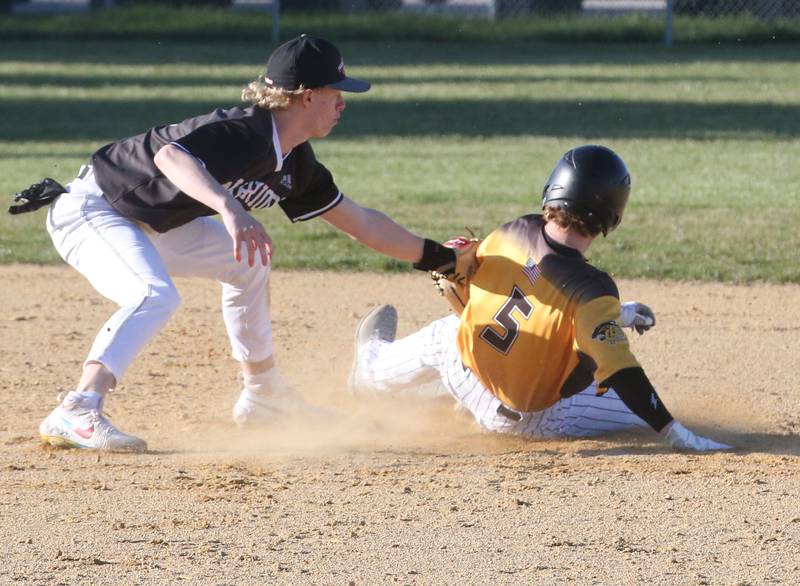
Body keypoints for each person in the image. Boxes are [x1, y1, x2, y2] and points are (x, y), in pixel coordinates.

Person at [15, 35, 464, 452]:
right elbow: (169, 155)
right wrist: (229, 208)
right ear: (307, 96)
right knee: (153, 294)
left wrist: (441, 259)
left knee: (247, 261)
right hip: (96, 210)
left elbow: (361, 223)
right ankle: (77, 408)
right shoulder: (244, 131)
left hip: (154, 222)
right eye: (336, 92)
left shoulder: (296, 164)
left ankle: (264, 396)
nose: (342, 103)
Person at [350, 145, 731, 452]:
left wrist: (616, 313)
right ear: (611, 215)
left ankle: (373, 370)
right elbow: (623, 372)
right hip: (531, 423)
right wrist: (673, 431)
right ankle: (675, 429)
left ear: (554, 190)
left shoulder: (513, 231)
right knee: (633, 410)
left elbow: (514, 287)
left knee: (451, 332)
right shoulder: (592, 289)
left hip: (465, 374)